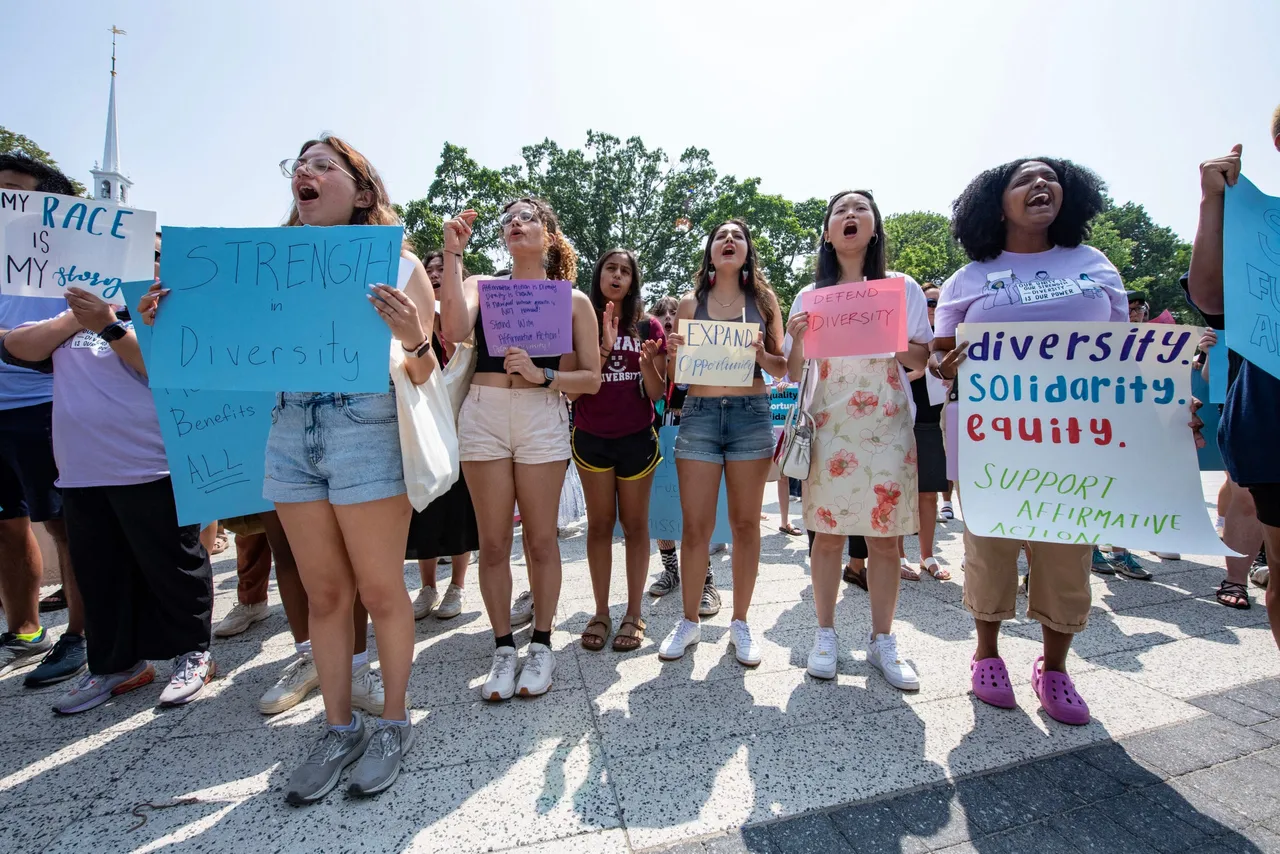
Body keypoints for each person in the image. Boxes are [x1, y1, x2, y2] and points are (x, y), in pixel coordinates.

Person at [150, 136, 434, 800]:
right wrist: (171, 322)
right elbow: (217, 360)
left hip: (367, 431)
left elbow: (426, 370)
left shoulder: (400, 263)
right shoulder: (265, 267)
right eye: (298, 166)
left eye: (322, 164)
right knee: (324, 597)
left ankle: (393, 721)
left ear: (362, 192)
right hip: (287, 433)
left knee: (380, 591)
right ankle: (338, 729)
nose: (304, 172)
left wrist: (412, 336)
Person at [932, 157, 1136, 725]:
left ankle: (1055, 666)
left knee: (1065, 557)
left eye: (1049, 177)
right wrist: (946, 367)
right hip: (994, 439)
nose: (1039, 185)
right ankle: (987, 654)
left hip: (1074, 438)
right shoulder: (969, 277)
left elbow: (1124, 356)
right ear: (996, 204)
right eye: (1024, 179)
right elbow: (940, 358)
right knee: (990, 548)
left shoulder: (1094, 265)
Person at [2, 283, 215, 713]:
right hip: (81, 470)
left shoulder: (152, 297)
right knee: (99, 571)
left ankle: (193, 654)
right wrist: (76, 317)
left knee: (173, 565)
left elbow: (167, 365)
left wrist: (109, 323)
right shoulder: (67, 307)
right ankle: (115, 665)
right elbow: (15, 347)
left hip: (150, 462)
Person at [439, 199, 602, 701]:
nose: (516, 222)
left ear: (549, 235)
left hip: (540, 416)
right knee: (491, 543)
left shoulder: (572, 300)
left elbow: (592, 379)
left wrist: (544, 375)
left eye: (528, 216)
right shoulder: (480, 287)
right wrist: (451, 254)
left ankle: (544, 644)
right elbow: (451, 329)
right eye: (509, 217)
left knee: (540, 540)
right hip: (483, 414)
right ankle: (503, 647)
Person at [784, 191, 932, 687]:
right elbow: (791, 370)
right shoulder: (810, 296)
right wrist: (798, 337)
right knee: (826, 536)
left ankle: (881, 640)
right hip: (828, 427)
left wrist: (891, 339)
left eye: (860, 209)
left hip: (887, 426)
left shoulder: (900, 287)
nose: (850, 216)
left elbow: (920, 359)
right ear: (827, 232)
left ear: (874, 228)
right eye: (840, 211)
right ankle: (825, 634)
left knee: (885, 540)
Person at [657, 220, 787, 666]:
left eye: (737, 236)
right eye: (720, 237)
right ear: (710, 253)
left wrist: (759, 354)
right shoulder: (692, 302)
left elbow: (782, 366)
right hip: (700, 416)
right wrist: (674, 354)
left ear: (748, 249)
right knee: (695, 528)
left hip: (751, 416)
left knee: (746, 526)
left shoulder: (764, 301)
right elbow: (680, 377)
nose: (729, 241)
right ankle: (689, 620)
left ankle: (741, 623)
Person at [1184, 106, 1280, 643]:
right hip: (1270, 419)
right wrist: (1213, 201)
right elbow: (1211, 298)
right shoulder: (1260, 226)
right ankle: (1239, 576)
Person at [0, 154, 88, 686]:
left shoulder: (71, 263)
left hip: (47, 406)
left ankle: (81, 633)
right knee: (8, 526)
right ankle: (26, 629)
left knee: (66, 524)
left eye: (12, 192)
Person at [572, 249, 665, 652]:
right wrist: (605, 348)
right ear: (599, 275)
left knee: (635, 526)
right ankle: (601, 611)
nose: (617, 275)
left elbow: (658, 392)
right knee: (598, 526)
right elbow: (573, 388)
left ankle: (633, 612)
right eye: (610, 268)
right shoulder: (581, 322)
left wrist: (647, 364)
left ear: (633, 282)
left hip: (637, 438)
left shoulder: (649, 327)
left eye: (626, 271)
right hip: (591, 437)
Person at [405, 251, 476, 621]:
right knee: (425, 509)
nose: (434, 275)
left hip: (463, 431)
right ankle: (427, 586)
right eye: (429, 270)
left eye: (442, 270)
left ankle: (458, 586)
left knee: (459, 511)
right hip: (421, 431)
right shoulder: (410, 325)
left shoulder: (467, 322)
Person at [899, 284, 951, 582]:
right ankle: (899, 556)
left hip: (931, 420)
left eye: (936, 304)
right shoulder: (904, 333)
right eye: (929, 302)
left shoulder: (946, 337)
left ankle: (927, 555)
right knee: (896, 493)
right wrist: (917, 368)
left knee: (928, 493)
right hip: (901, 417)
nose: (932, 308)